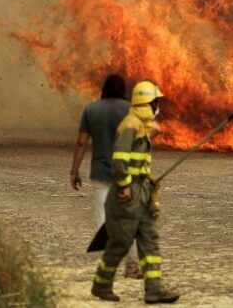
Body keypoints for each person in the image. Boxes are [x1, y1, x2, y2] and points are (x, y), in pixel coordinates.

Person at [91, 80, 180, 304]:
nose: (158, 106)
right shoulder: (130, 126)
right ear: (147, 103)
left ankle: (154, 290)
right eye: (156, 102)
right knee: (119, 243)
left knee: (149, 240)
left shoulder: (141, 125)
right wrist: (125, 185)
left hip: (141, 193)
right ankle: (101, 285)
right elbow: (119, 162)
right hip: (127, 196)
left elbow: (154, 132)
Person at [69, 75, 142, 278]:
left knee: (104, 223)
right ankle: (132, 265)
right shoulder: (131, 110)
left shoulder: (91, 110)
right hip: (126, 175)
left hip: (100, 175)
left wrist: (74, 171)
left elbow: (81, 143)